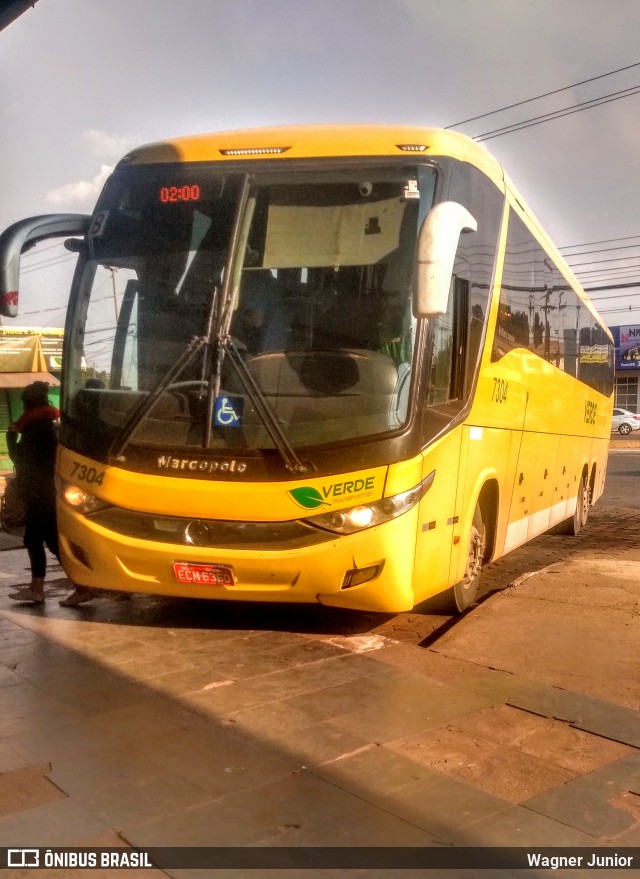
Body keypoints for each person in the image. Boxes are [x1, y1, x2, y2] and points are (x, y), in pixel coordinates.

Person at [6, 381, 93, 607]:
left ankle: (47, 589)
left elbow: (21, 460)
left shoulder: (34, 430)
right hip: (47, 493)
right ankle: (76, 587)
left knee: (38, 540)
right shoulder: (49, 426)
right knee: (49, 542)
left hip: (39, 496)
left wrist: (10, 438)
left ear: (28, 403)